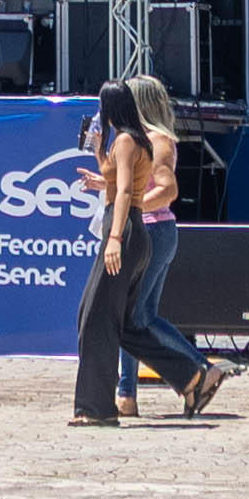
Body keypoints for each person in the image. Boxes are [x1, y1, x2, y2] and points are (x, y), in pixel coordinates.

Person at [73, 74, 222, 424]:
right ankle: (141, 389)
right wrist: (102, 171)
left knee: (130, 319)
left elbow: (163, 191)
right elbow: (122, 184)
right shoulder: (134, 140)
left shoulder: (154, 140)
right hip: (142, 229)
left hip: (150, 230)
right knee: (130, 319)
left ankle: (193, 372)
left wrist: (125, 218)